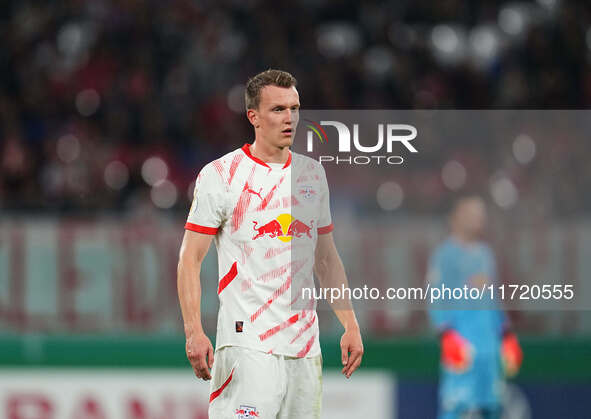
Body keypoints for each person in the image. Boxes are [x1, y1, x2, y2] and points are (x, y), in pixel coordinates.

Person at [177, 69, 363, 419]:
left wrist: (350, 324)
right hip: (247, 344)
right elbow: (190, 258)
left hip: (305, 348)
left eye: (294, 108)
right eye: (278, 109)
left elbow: (326, 258)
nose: (290, 117)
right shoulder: (222, 175)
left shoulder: (312, 175)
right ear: (254, 117)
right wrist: (194, 332)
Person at [427, 196, 523, 419]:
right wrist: (446, 334)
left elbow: (494, 299)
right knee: (456, 406)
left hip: (489, 348)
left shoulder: (485, 255)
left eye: (481, 213)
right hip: (463, 347)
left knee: (492, 407)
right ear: (456, 218)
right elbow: (435, 297)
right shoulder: (445, 256)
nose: (479, 219)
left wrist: (506, 334)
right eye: (472, 213)